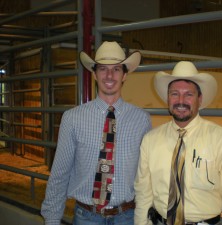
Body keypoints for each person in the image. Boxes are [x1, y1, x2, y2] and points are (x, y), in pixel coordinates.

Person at [41, 41, 152, 225]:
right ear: (94, 74)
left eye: (116, 69)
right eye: (103, 69)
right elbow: (60, 173)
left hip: (127, 216)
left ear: (125, 75)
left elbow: (147, 174)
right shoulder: (72, 118)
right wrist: (52, 219)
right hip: (86, 217)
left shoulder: (141, 120)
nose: (109, 75)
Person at [134, 61, 222, 225]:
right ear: (168, 98)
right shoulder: (150, 140)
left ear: (199, 99)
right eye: (174, 94)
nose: (180, 101)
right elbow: (143, 194)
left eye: (188, 94)